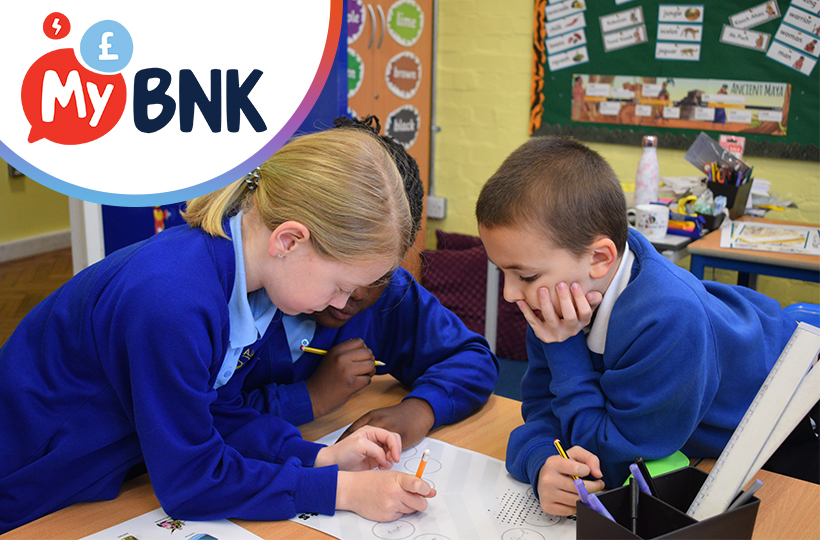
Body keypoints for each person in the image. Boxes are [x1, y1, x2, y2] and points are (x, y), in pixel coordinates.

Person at [0, 128, 436, 533]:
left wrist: (321, 457)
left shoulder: (257, 288)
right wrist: (341, 491)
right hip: (28, 490)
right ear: (288, 241)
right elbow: (191, 482)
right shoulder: (171, 302)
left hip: (92, 477)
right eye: (340, 287)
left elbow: (218, 414)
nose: (342, 304)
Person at [474, 136, 807, 516]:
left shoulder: (667, 319)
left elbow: (618, 462)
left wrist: (565, 348)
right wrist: (540, 461)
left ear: (600, 258)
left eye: (525, 275)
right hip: (684, 433)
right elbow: (541, 408)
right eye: (502, 272)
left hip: (792, 425)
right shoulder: (558, 298)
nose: (510, 293)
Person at [241, 116, 499, 448]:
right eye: (343, 274)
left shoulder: (391, 294)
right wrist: (311, 397)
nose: (356, 292)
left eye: (379, 274)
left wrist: (419, 411)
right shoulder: (242, 291)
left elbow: (472, 357)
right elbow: (202, 417)